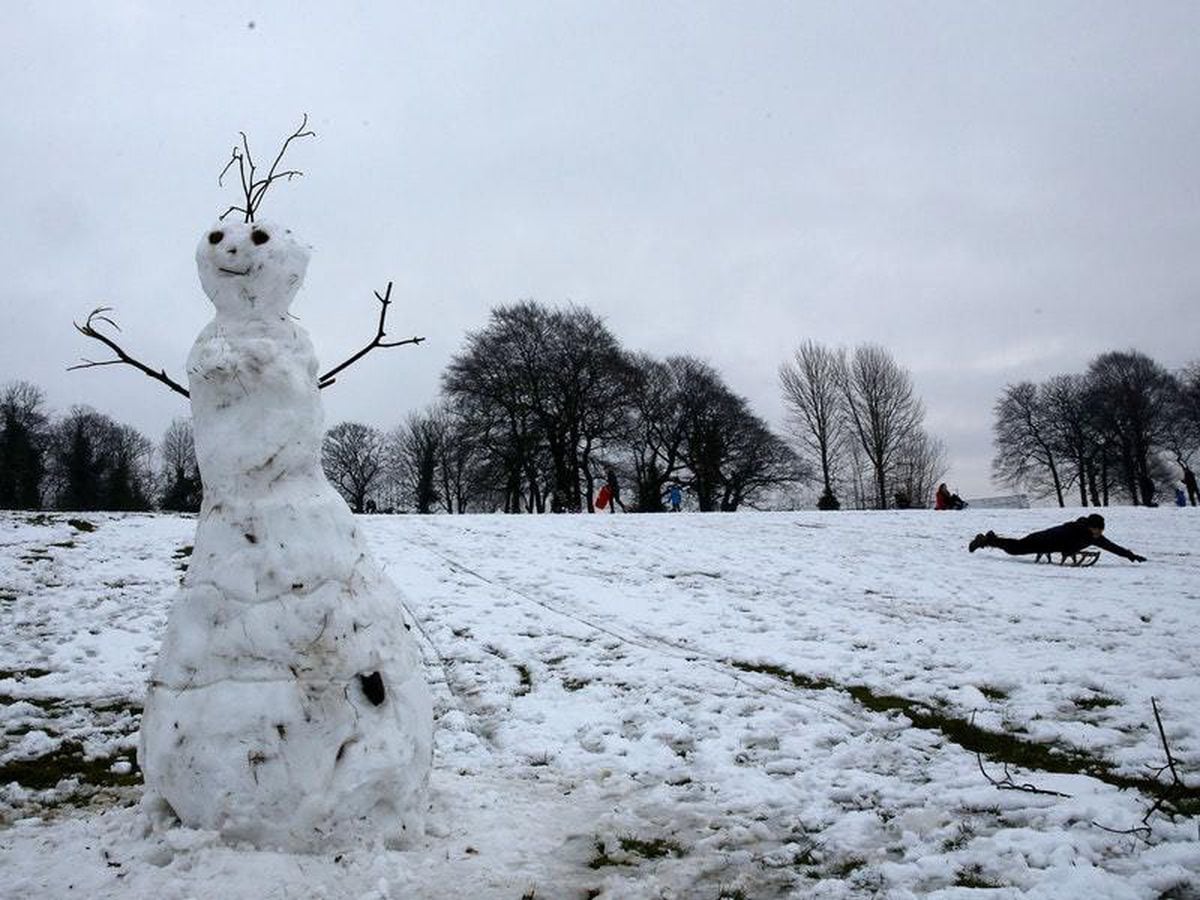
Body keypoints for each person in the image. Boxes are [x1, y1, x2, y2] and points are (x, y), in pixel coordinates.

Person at [968, 513, 1145, 564]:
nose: (1099, 534)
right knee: (1015, 549)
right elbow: (1066, 543)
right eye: (1097, 530)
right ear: (1091, 527)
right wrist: (1069, 551)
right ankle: (986, 540)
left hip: (1047, 544)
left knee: (1015, 547)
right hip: (1042, 540)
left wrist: (1130, 555)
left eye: (1100, 531)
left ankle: (990, 539)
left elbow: (1111, 547)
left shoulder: (1094, 537)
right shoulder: (1075, 529)